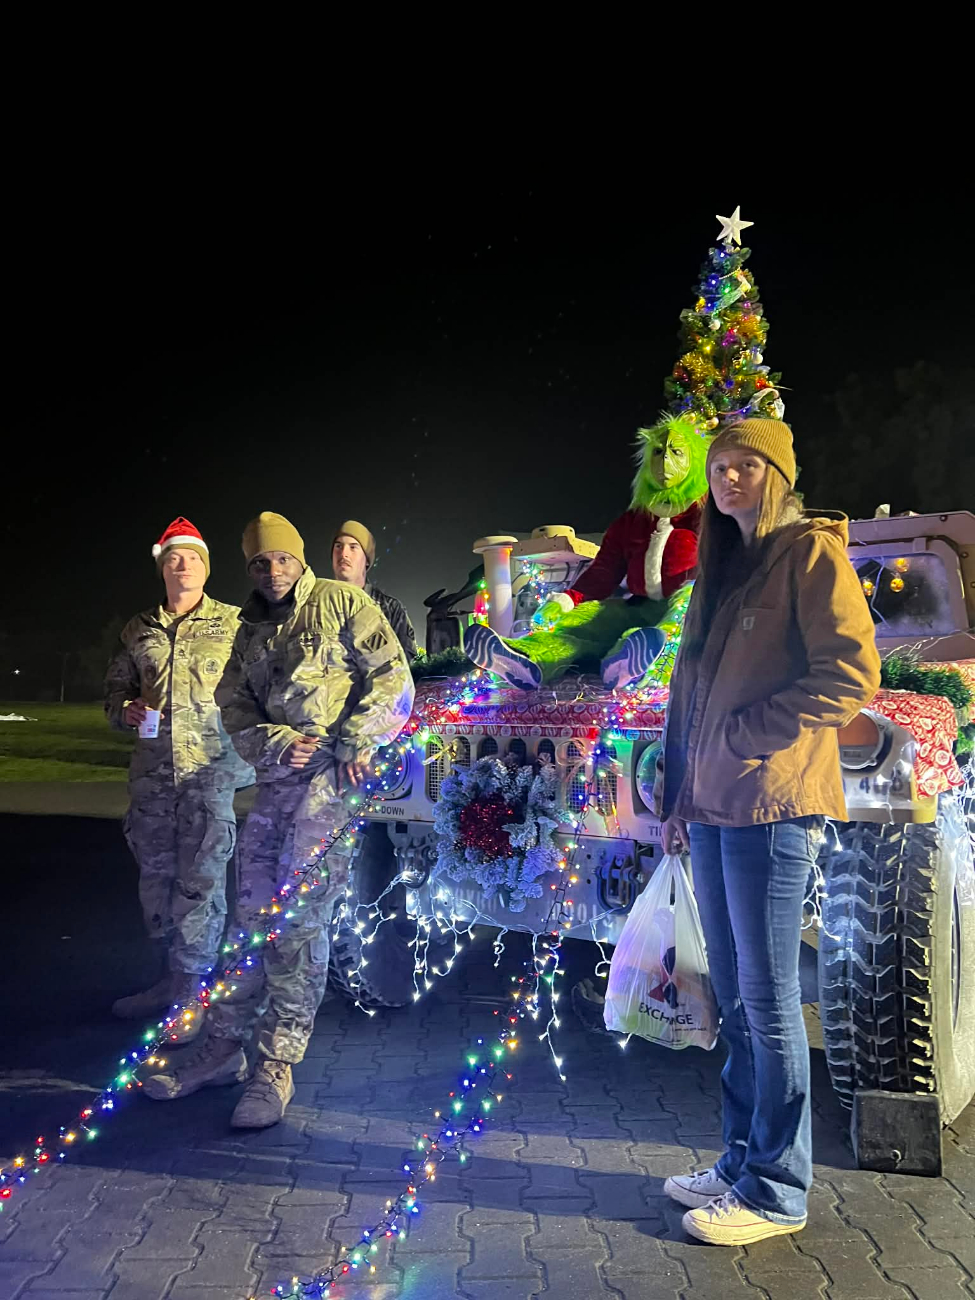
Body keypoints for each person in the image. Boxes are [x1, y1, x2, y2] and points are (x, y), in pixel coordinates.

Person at [654, 418, 881, 1245]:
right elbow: (689, 696)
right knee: (740, 1002)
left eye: (746, 465)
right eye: (719, 468)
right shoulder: (725, 567)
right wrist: (678, 794)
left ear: (777, 474)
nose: (728, 480)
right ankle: (741, 1160)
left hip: (772, 809)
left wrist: (750, 735)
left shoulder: (808, 554)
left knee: (772, 1002)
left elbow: (851, 672)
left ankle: (778, 1192)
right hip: (712, 811)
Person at [143, 511, 414, 1127]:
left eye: (283, 560)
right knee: (248, 921)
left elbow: (394, 681)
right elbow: (231, 707)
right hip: (274, 787)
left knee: (296, 926)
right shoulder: (248, 630)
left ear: (300, 560)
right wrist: (271, 742)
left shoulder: (341, 604)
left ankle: (275, 1067)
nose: (272, 572)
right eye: (260, 564)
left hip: (331, 785)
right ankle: (220, 1052)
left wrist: (353, 742)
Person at [105, 517, 253, 1040]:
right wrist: (124, 710)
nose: (182, 564)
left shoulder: (237, 625)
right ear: (162, 567)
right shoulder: (137, 630)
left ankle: (192, 998)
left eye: (191, 557)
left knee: (201, 885)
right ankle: (171, 982)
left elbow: (262, 694)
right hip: (153, 781)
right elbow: (113, 695)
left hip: (209, 776)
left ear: (205, 566)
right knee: (157, 884)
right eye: (173, 557)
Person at [332, 519, 417, 659]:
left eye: (353, 547)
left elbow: (406, 663)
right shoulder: (316, 606)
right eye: (338, 546)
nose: (344, 554)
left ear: (366, 560)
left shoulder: (390, 610)